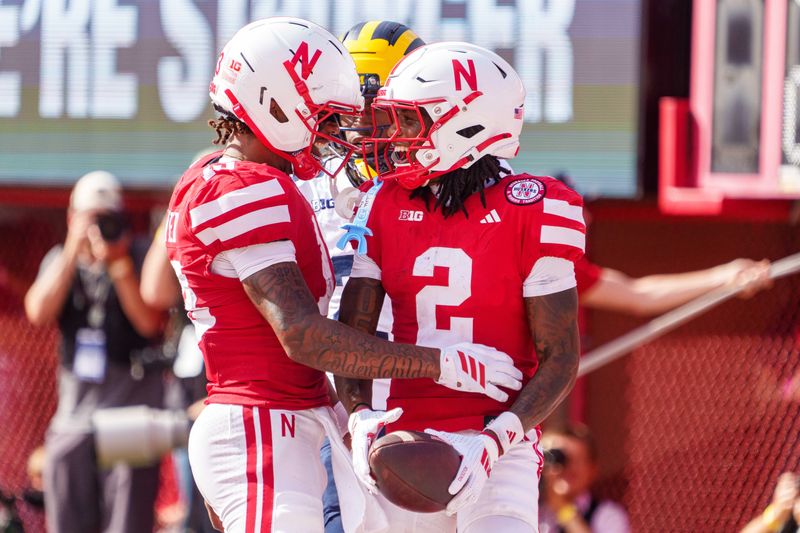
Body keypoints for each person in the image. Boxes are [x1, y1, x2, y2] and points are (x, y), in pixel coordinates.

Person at [165, 18, 522, 533]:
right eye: (325, 115)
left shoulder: (241, 179)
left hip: (293, 417)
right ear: (275, 101)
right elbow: (303, 336)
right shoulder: (239, 186)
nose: (334, 133)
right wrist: (443, 364)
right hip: (263, 422)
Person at [336, 42, 585, 532]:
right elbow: (352, 335)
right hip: (399, 435)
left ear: (464, 125)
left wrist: (496, 439)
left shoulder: (533, 207)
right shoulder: (382, 203)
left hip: (499, 442)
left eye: (410, 121)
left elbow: (561, 355)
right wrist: (360, 416)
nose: (395, 136)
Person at [293, 20, 426, 533]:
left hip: (418, 376)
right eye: (355, 109)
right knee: (336, 517)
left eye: (379, 109)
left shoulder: (443, 186)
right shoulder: (303, 184)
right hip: (334, 384)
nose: (364, 124)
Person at [23, 171, 166, 533]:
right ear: (72, 218)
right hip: (75, 416)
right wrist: (73, 251)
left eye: (107, 218)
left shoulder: (136, 253)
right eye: (91, 218)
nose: (98, 229)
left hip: (130, 412)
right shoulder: (60, 259)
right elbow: (37, 312)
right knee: (68, 518)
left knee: (127, 524)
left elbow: (150, 324)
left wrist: (118, 266)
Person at [538, 424, 630, 533]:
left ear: (593, 470)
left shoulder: (608, 516)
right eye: (558, 458)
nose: (567, 467)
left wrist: (563, 508)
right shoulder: (530, 507)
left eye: (576, 460)